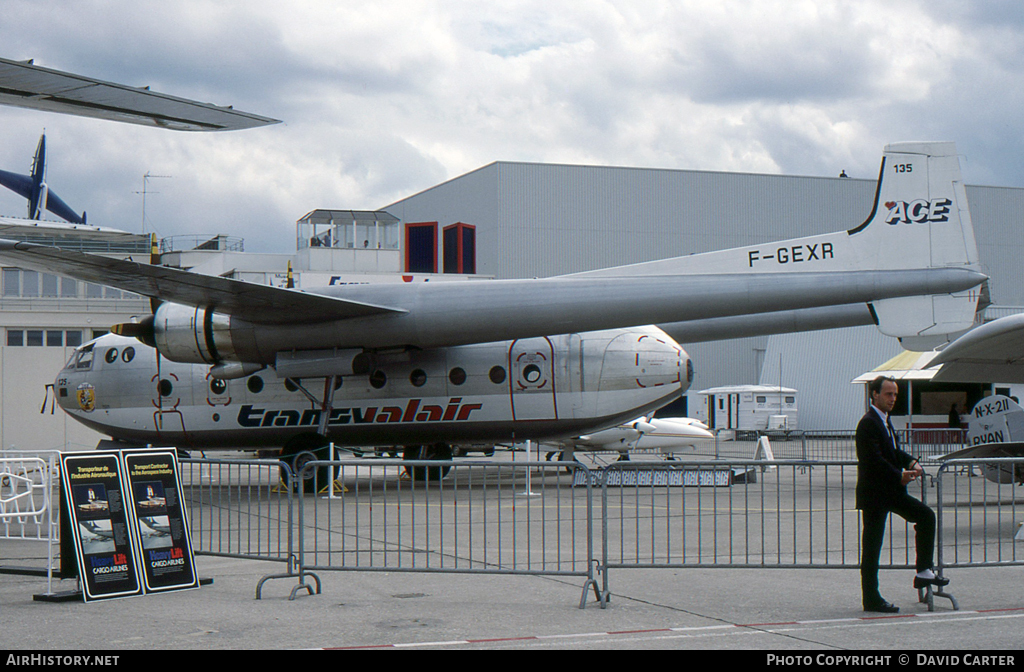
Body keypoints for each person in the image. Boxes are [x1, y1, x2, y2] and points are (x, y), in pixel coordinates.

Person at [856, 376, 948, 613]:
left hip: (889, 492)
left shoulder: (884, 421)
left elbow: (892, 451)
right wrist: (899, 475)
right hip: (877, 494)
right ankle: (871, 598)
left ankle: (923, 571)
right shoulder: (868, 423)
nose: (893, 399)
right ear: (874, 394)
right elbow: (873, 459)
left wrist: (911, 461)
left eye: (895, 394)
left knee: (925, 517)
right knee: (872, 546)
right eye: (888, 394)